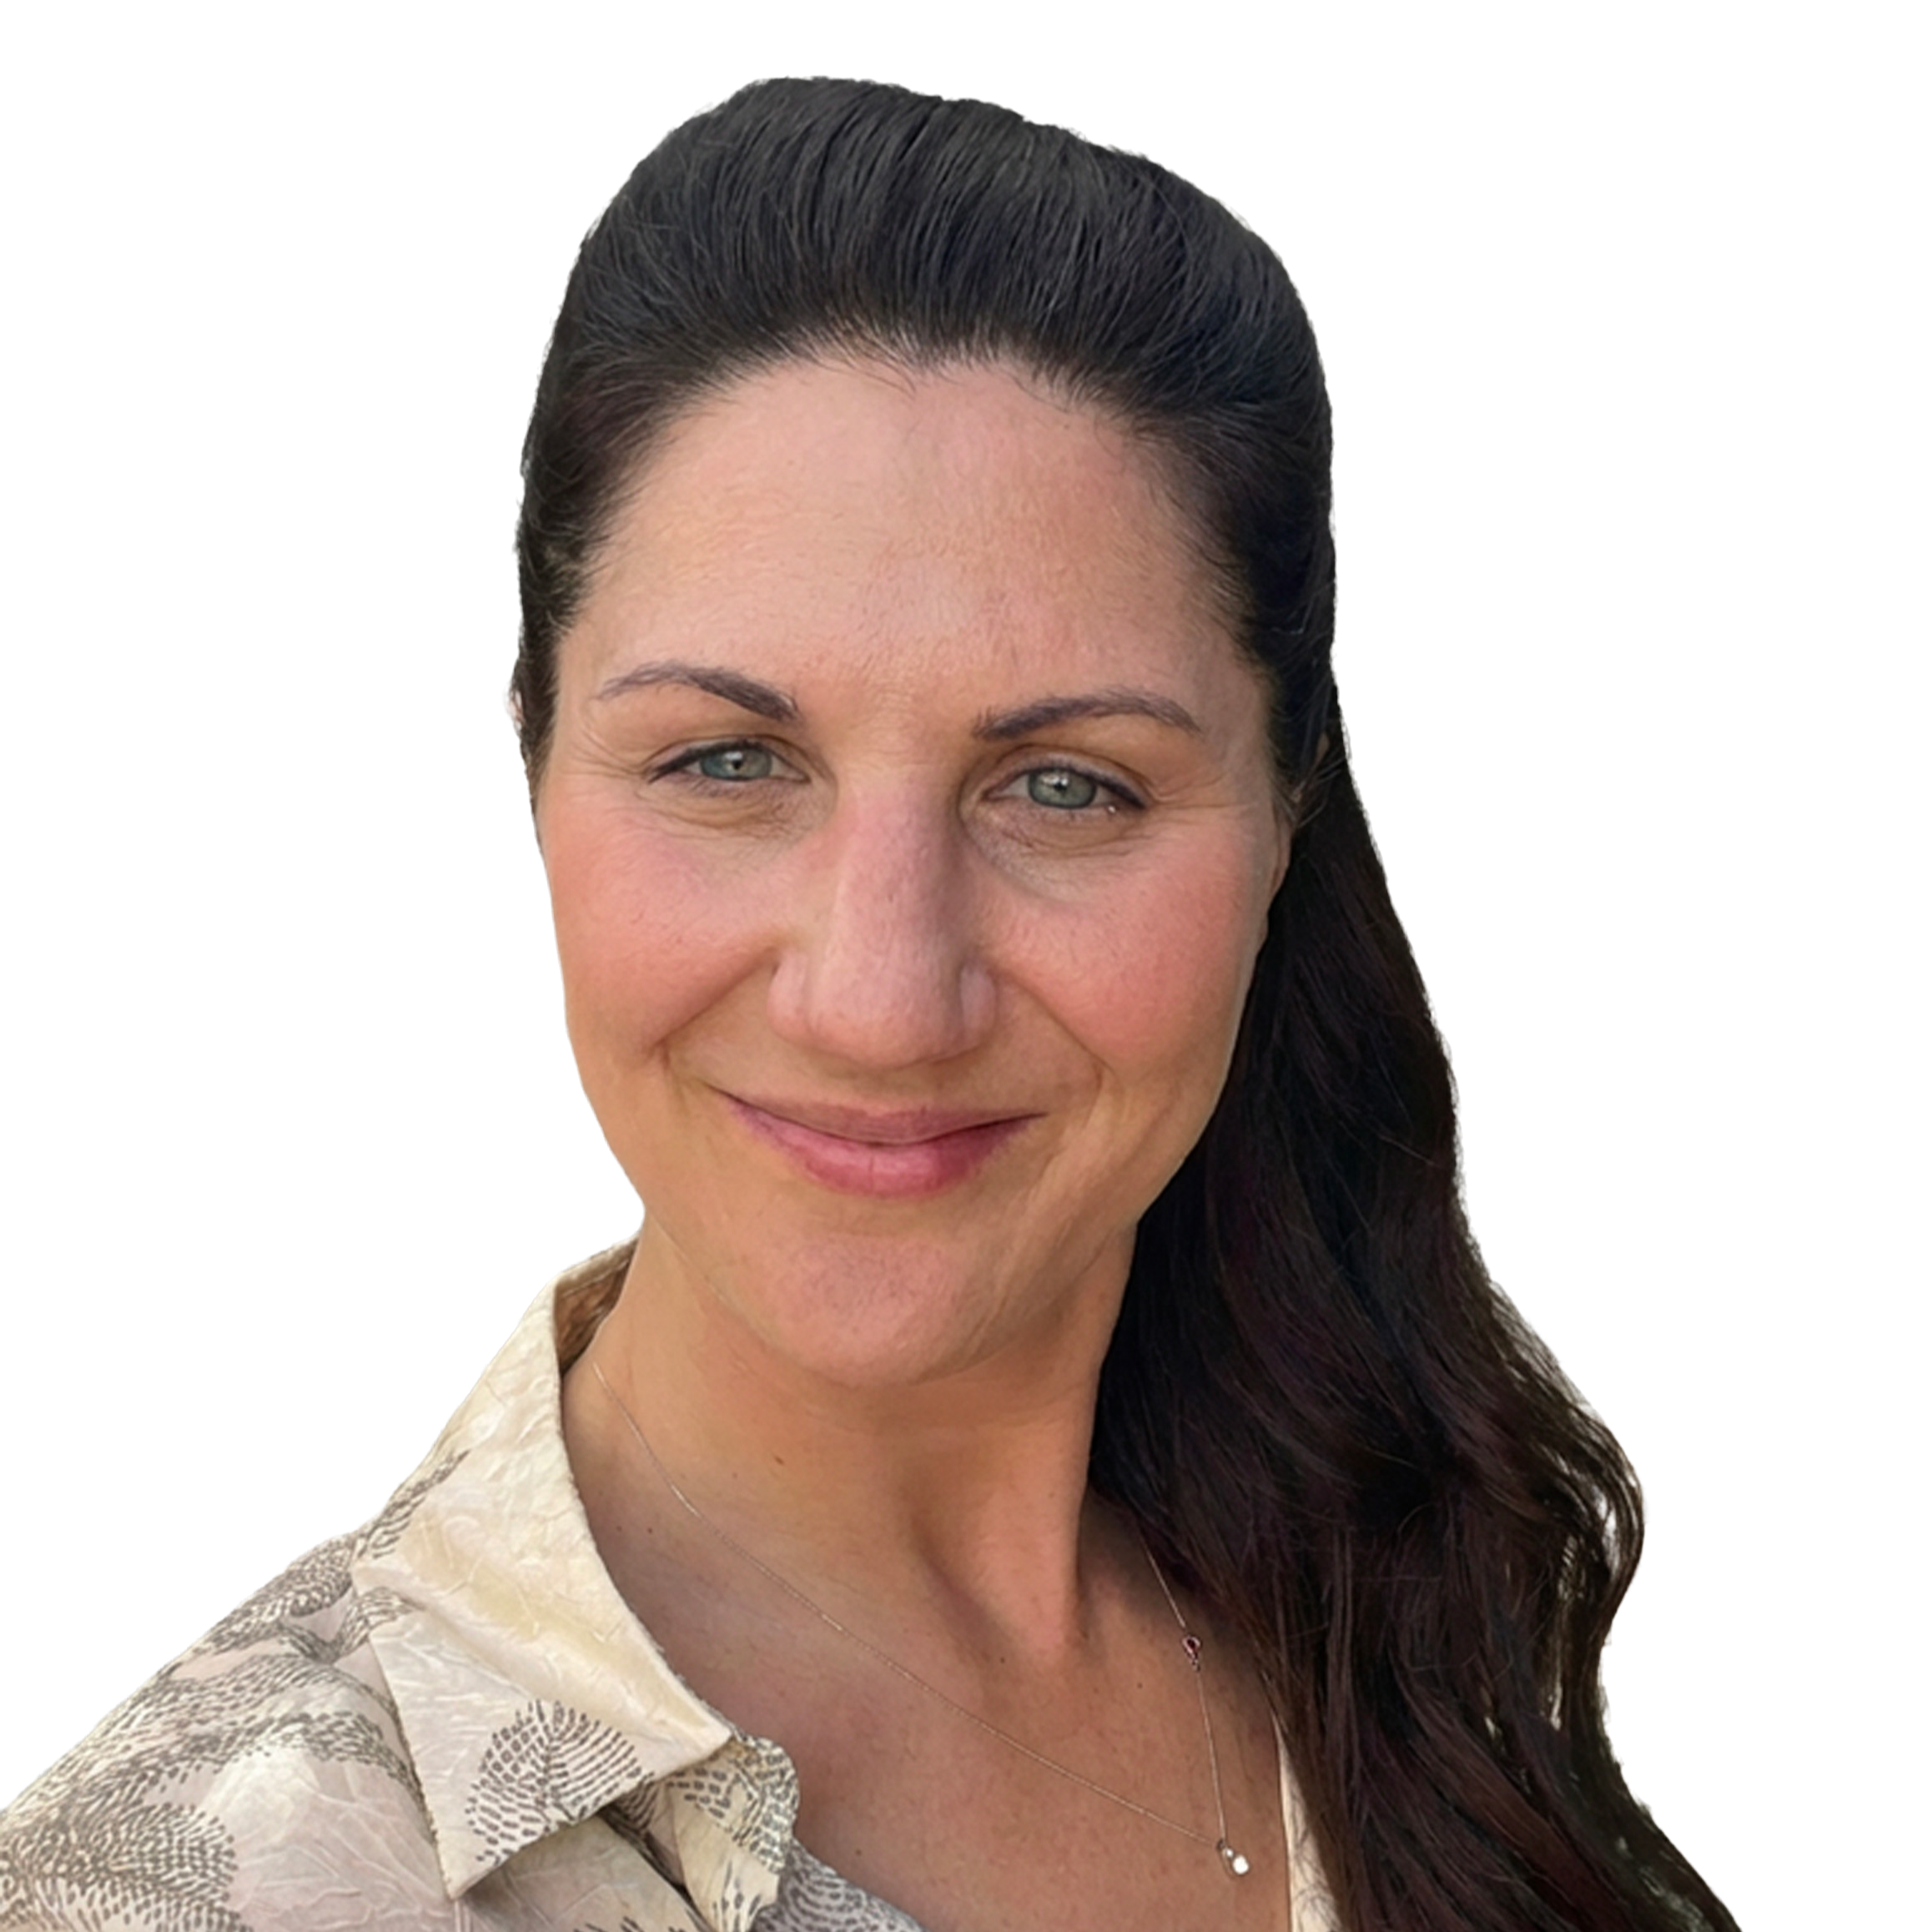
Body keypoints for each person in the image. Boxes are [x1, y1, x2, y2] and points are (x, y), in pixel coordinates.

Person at [1, 77, 1748, 1932]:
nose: (881, 998)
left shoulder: (1430, 1591)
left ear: (1285, 812)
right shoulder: (211, 1879)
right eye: (729, 761)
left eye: (1065, 787)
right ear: (533, 788)